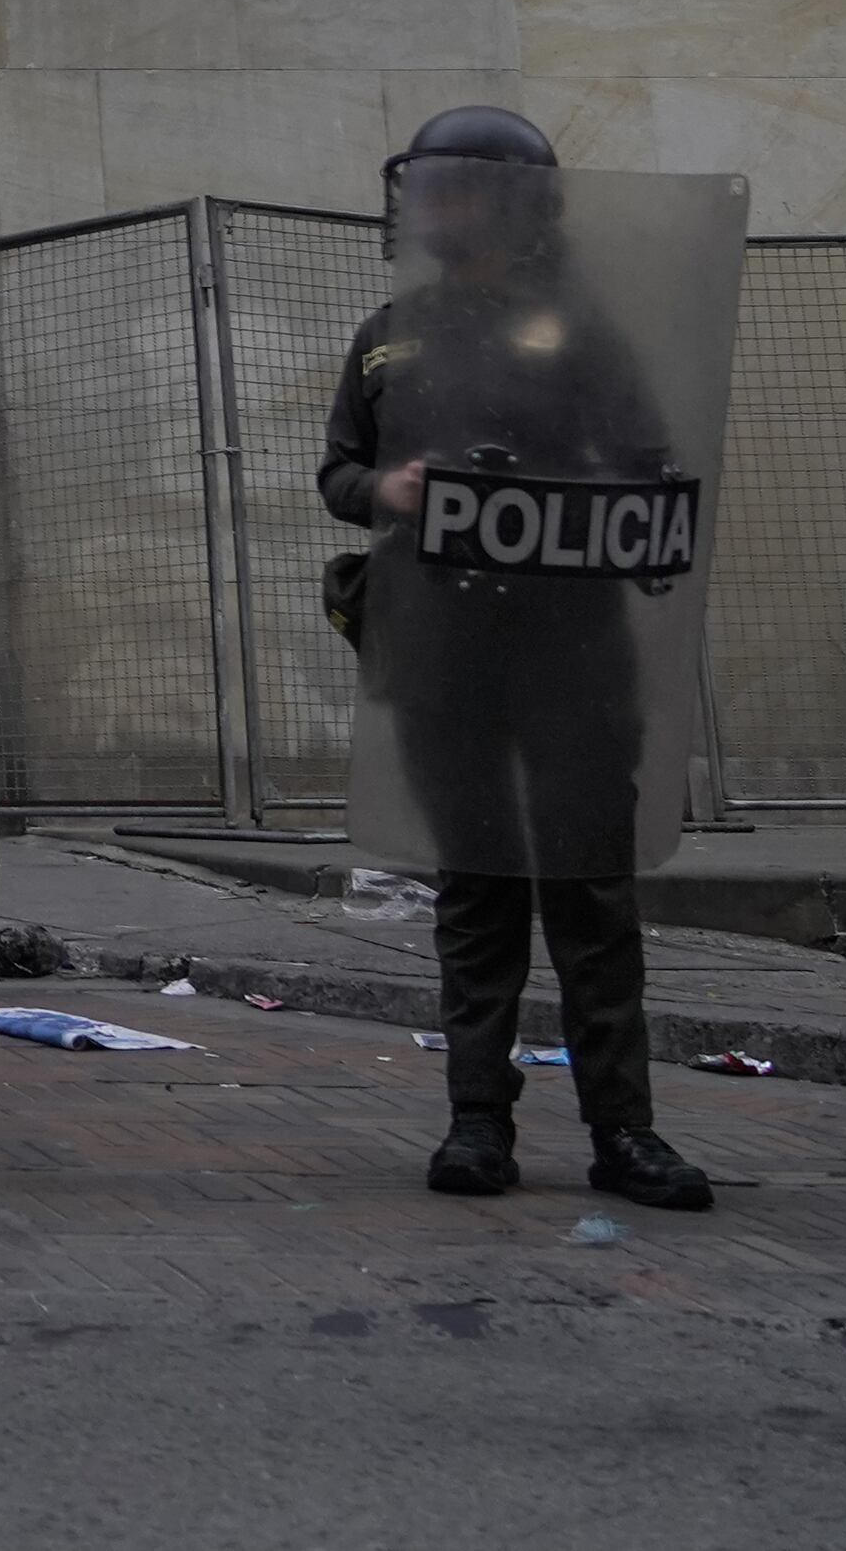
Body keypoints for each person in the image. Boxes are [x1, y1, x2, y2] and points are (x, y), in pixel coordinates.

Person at [318, 106, 715, 1212]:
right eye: (423, 187)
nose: (430, 207)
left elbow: (648, 473)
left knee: (588, 893)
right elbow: (337, 472)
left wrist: (573, 505)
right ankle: (474, 1122)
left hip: (571, 650)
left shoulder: (580, 329)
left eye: (453, 187)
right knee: (475, 891)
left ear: (510, 203)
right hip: (442, 646)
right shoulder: (387, 332)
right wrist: (386, 491)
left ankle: (623, 1132)